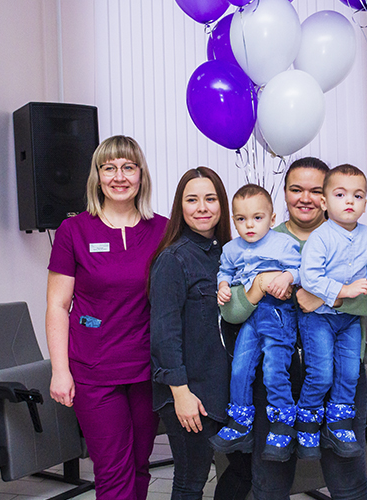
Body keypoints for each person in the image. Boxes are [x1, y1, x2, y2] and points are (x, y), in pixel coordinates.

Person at [220, 157, 367, 500]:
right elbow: (233, 312)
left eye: (315, 190)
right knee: (270, 483)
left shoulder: (354, 236)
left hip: (339, 374)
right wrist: (261, 285)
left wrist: (325, 298)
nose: (306, 198)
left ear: (326, 196)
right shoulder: (260, 235)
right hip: (276, 375)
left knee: (348, 480)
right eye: (296, 189)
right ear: (284, 194)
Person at [46, 135, 167, 500]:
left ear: (141, 175)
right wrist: (60, 370)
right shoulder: (73, 231)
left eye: (128, 167)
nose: (119, 176)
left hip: (147, 368)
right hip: (94, 371)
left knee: (139, 464)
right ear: (97, 177)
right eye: (109, 168)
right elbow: (57, 305)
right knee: (113, 470)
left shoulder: (163, 230)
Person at [149, 167, 240, 500]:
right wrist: (181, 393)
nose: (202, 207)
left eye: (210, 199)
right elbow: (164, 333)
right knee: (191, 482)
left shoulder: (229, 254)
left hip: (225, 387)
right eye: (192, 200)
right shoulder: (172, 259)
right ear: (180, 206)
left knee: (245, 469)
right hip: (190, 393)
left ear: (222, 205)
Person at [297, 164, 367, 459]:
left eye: (357, 195)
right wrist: (344, 291)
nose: (349, 200)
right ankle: (307, 422)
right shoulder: (320, 237)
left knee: (350, 372)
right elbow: (309, 278)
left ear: (365, 203)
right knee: (322, 374)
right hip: (318, 320)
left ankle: (338, 424)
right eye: (340, 194)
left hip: (349, 321)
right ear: (324, 203)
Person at [210, 184, 302, 460]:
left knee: (275, 369)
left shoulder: (283, 243)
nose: (249, 225)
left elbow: (300, 270)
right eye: (241, 219)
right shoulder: (231, 248)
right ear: (233, 220)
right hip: (250, 315)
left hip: (278, 313)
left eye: (257, 218)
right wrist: (223, 286)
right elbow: (225, 272)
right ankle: (240, 422)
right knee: (240, 367)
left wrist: (287, 277)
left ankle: (283, 425)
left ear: (272, 219)